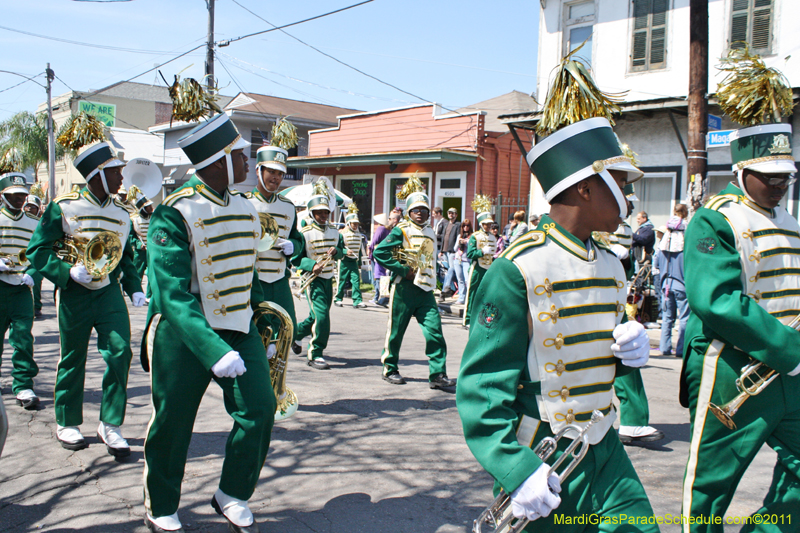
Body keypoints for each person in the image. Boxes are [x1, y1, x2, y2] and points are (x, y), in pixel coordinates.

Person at [457, 70, 659, 528]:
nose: (628, 194)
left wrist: (630, 350)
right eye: (619, 183)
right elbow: (482, 386)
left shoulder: (611, 261)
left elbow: (592, 352)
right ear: (585, 188)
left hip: (605, 445)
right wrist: (514, 468)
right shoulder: (517, 267)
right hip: (543, 454)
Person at [141, 113, 275, 533]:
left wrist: (264, 327)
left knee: (260, 409)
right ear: (219, 160)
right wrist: (213, 350)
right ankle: (160, 503)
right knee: (174, 422)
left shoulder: (246, 207)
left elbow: (247, 273)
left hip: (239, 326)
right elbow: (171, 294)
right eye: (242, 154)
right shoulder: (174, 212)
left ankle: (231, 493)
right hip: (184, 335)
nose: (249, 162)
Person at [681, 120, 800, 531]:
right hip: (734, 368)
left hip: (792, 369)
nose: (780, 184)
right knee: (710, 489)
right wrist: (791, 351)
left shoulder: (788, 220)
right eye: (770, 177)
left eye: (786, 176)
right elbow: (716, 300)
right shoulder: (715, 219)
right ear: (741, 171)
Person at [27, 141, 145, 454]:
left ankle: (110, 424)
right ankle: (67, 421)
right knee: (73, 357)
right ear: (96, 174)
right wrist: (66, 273)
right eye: (114, 171)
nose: (121, 177)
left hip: (108, 291)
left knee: (120, 353)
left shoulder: (122, 212)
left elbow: (127, 253)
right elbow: (38, 250)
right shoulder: (63, 205)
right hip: (74, 293)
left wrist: (134, 286)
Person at [374, 175, 453, 390]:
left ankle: (437, 374)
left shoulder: (430, 230)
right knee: (396, 331)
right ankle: (389, 368)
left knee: (435, 331)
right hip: (404, 288)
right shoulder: (401, 230)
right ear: (409, 212)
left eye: (424, 210)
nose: (420, 213)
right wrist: (402, 269)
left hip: (425, 290)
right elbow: (380, 252)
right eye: (416, 210)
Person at [248, 145, 304, 356]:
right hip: (252, 280)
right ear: (258, 170)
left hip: (279, 279)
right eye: (271, 171)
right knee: (258, 334)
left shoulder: (288, 206)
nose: (276, 178)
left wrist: (293, 247)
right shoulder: (243, 202)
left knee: (288, 328)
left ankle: (275, 383)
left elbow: (297, 239)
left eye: (280, 173)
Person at [0, 173, 42, 410]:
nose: (19, 199)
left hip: (22, 289)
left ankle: (23, 383)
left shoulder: (34, 224)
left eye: (22, 195)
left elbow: (41, 255)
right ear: (3, 196)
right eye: (13, 195)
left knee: (23, 338)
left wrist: (32, 274)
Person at [292, 182, 345, 370]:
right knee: (322, 317)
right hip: (311, 280)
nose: (323, 216)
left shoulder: (335, 232)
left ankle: (295, 334)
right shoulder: (303, 233)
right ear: (311, 213)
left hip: (327, 279)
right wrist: (311, 265)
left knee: (317, 316)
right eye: (319, 213)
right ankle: (316, 353)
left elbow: (343, 251)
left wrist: (336, 252)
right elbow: (295, 258)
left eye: (326, 212)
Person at [657, 204, 689, 358]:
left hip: (665, 284)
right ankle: (681, 350)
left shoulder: (665, 240)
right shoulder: (685, 239)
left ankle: (665, 347)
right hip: (682, 285)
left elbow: (656, 264)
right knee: (683, 319)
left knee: (667, 318)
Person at [462, 197, 496, 328]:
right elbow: (470, 254)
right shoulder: (475, 236)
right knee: (472, 293)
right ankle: (468, 320)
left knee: (486, 293)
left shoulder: (492, 237)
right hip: (477, 268)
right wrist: (481, 252)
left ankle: (482, 319)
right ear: (481, 224)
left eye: (489, 224)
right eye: (486, 224)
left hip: (488, 268)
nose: (488, 226)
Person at [335, 204, 367, 309]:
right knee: (342, 280)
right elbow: (337, 248)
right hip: (344, 261)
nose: (355, 226)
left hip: (353, 261)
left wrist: (359, 263)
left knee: (356, 280)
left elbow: (359, 251)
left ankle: (357, 300)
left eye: (357, 224)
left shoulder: (359, 235)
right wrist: (344, 251)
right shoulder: (342, 234)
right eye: (353, 224)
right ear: (349, 223)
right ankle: (338, 299)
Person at [128, 189, 154, 301]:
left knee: (152, 274)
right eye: (149, 207)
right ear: (143, 208)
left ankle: (149, 296)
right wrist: (139, 245)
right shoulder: (134, 220)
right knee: (138, 273)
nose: (151, 208)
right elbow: (131, 236)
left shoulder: (154, 218)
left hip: (152, 250)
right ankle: (137, 294)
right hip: (140, 251)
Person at [22, 194, 43, 319]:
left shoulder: (41, 224)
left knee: (35, 282)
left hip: (35, 260)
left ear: (38, 209)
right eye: (27, 206)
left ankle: (36, 307)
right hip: (19, 259)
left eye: (33, 207)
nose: (29, 209)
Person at [439, 207, 461, 300]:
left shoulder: (458, 225)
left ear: (456, 215)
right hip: (445, 250)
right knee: (450, 271)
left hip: (453, 251)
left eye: (453, 213)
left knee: (451, 269)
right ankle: (452, 289)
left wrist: (457, 250)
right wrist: (441, 250)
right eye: (449, 213)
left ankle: (445, 290)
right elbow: (443, 237)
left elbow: (457, 238)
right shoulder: (446, 224)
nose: (451, 215)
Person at [454, 218, 473, 305]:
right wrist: (459, 242)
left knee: (467, 280)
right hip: (458, 259)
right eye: (464, 226)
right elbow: (454, 249)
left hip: (466, 261)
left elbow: (471, 249)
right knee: (460, 280)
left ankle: (469, 298)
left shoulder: (472, 237)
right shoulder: (459, 236)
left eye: (467, 226)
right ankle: (461, 297)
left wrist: (466, 242)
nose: (466, 227)